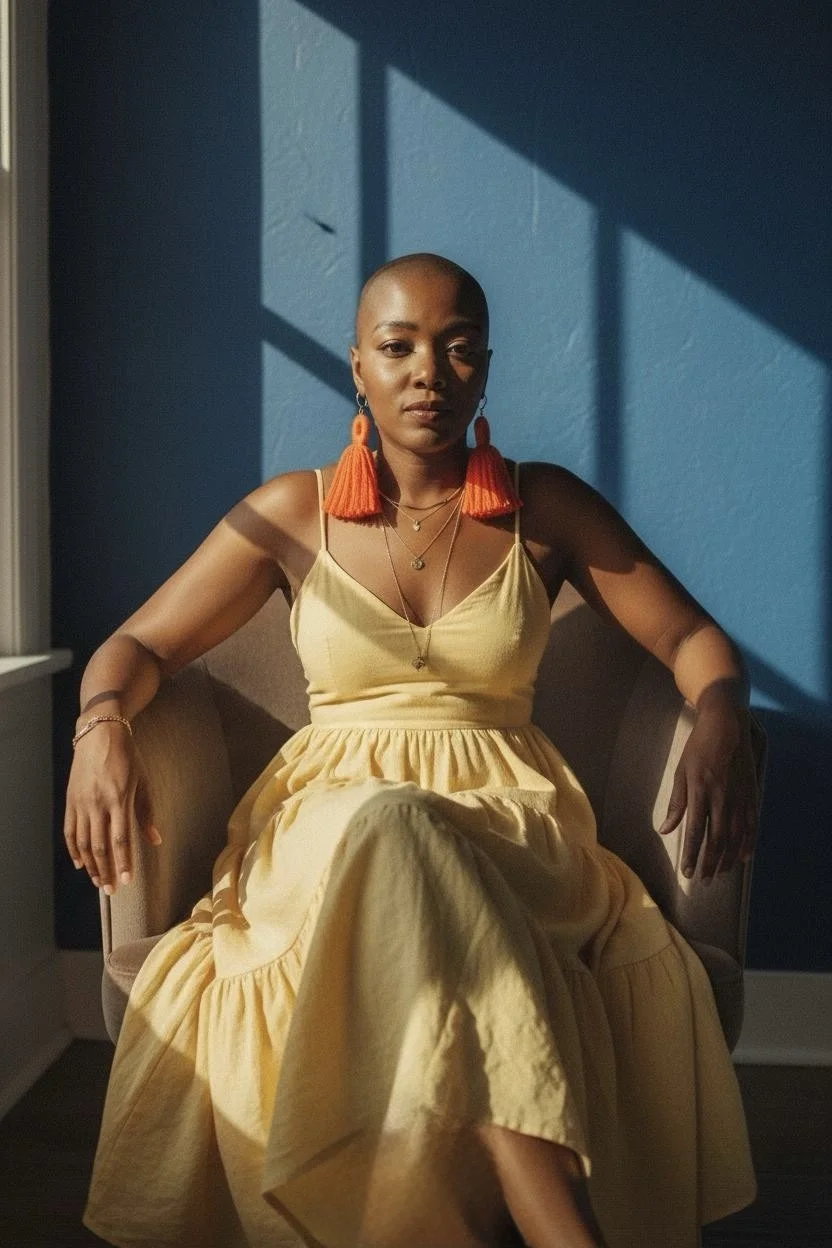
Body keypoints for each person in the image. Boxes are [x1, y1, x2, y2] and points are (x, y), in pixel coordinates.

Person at [67, 253, 757, 1248]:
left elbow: (689, 638)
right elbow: (139, 645)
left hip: (508, 832)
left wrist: (723, 709)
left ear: (484, 372)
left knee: (417, 850)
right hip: (324, 831)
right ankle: (562, 1225)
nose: (426, 369)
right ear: (357, 366)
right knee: (388, 820)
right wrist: (100, 728)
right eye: (397, 347)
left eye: (457, 347)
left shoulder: (545, 504)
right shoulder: (290, 512)